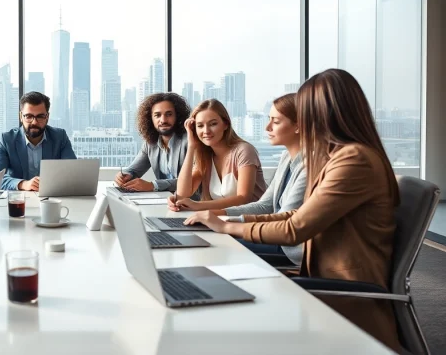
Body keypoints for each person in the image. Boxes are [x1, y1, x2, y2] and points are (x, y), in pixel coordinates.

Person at [183, 69, 399, 351]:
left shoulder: (353, 160)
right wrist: (220, 220)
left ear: (321, 113)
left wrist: (225, 226)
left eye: (305, 110)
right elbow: (293, 216)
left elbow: (295, 229)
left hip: (342, 290)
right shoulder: (338, 156)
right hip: (318, 274)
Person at [221, 94, 307, 266]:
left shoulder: (309, 165)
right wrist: (219, 214)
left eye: (275, 122)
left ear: (298, 126)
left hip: (291, 248)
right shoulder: (286, 157)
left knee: (222, 245)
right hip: (275, 235)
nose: (267, 127)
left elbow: (284, 219)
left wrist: (228, 224)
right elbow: (265, 205)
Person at [168, 99, 267, 212]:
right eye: (200, 126)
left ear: (225, 124)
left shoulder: (244, 151)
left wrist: (197, 205)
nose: (206, 131)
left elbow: (244, 199)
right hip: (223, 221)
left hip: (254, 221)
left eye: (213, 124)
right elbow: (182, 194)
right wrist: (191, 147)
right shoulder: (204, 156)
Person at [0, 91, 76, 191]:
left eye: (40, 116)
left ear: (47, 117)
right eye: (29, 116)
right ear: (21, 116)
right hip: (18, 201)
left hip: (51, 198)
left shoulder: (60, 137)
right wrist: (23, 184)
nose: (34, 122)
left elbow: (72, 173)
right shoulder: (6, 140)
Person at [114, 93, 191, 192]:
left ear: (178, 116)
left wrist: (152, 185)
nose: (163, 120)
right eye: (157, 115)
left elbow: (192, 181)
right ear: (150, 119)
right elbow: (133, 170)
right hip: (165, 201)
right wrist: (124, 175)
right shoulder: (150, 144)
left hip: (191, 202)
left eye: (169, 114)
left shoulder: (189, 141)